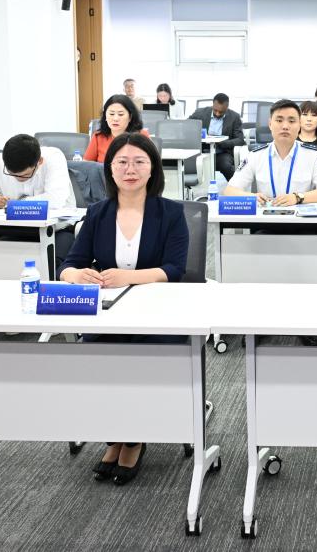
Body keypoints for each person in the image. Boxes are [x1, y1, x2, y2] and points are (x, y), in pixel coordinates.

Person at [59, 132, 189, 486]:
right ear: (110, 169)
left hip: (159, 315)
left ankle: (133, 439)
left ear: (152, 169)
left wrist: (128, 277)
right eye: (122, 162)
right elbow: (69, 264)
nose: (130, 169)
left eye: (139, 162)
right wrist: (77, 275)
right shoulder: (98, 213)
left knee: (141, 362)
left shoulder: (171, 212)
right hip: (110, 313)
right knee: (98, 360)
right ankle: (115, 435)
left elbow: (174, 269)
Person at [223, 99, 317, 205]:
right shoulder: (256, 155)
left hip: (301, 217)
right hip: (267, 217)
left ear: (299, 125)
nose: (285, 126)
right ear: (270, 124)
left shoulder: (313, 154)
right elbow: (229, 191)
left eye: (291, 121)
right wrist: (251, 197)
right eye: (279, 120)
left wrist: (297, 197)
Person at [0, 134, 73, 209]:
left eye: (25, 175)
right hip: (14, 226)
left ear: (39, 161)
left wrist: (16, 204)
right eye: (12, 174)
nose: (18, 179)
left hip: (57, 226)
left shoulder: (53, 158)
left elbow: (56, 199)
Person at [189, 93, 244, 181]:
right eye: (215, 110)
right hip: (202, 151)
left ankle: (235, 186)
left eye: (221, 112)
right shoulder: (200, 113)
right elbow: (186, 127)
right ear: (213, 104)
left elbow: (240, 140)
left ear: (227, 107)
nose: (217, 114)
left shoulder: (234, 117)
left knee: (226, 166)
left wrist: (224, 143)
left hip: (222, 152)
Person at [83, 95, 150, 162]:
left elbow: (152, 163)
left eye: (120, 114)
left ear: (130, 117)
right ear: (105, 116)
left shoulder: (142, 135)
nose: (115, 119)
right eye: (111, 114)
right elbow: (86, 165)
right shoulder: (98, 137)